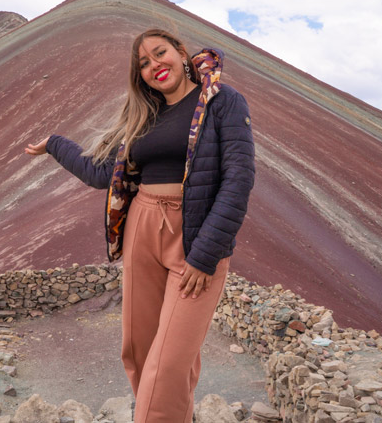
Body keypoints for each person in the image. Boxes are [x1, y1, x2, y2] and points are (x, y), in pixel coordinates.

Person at [25, 28, 255, 423]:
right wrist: (54, 144)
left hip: (196, 238)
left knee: (167, 364)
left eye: (159, 53)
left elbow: (238, 179)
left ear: (182, 53)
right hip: (142, 228)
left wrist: (204, 257)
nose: (153, 65)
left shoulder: (221, 101)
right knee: (139, 351)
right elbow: (100, 174)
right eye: (143, 64)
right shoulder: (144, 116)